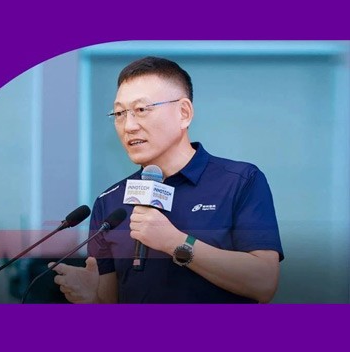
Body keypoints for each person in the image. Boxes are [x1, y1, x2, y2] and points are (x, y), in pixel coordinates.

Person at [52, 56, 284, 303]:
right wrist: (92, 299)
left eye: (141, 110)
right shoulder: (109, 204)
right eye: (119, 113)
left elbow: (264, 282)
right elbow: (110, 302)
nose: (128, 126)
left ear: (184, 113)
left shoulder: (240, 181)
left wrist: (175, 242)